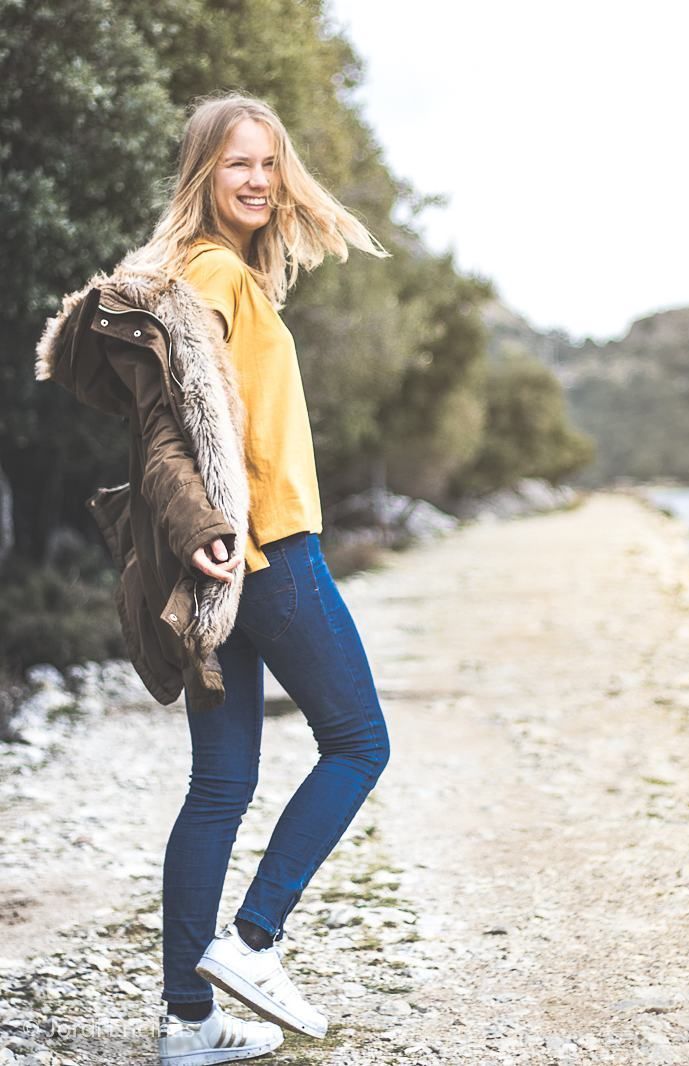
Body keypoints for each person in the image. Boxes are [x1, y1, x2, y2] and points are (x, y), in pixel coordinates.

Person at [34, 92, 392, 1065]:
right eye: (238, 162)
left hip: (228, 554)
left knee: (220, 783)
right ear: (202, 172)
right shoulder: (208, 277)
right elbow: (167, 429)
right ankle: (252, 940)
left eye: (269, 164)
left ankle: (186, 1023)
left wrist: (200, 534)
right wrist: (207, 526)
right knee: (360, 742)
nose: (258, 180)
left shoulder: (225, 276)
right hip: (268, 547)